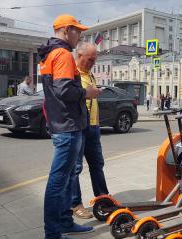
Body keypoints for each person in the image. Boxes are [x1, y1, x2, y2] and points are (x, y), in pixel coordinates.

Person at [39, 14, 99, 239]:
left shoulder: (48, 54)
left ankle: (64, 222)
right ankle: (53, 232)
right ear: (66, 30)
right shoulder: (63, 54)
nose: (79, 36)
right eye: (77, 31)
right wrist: (88, 93)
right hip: (69, 126)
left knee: (64, 180)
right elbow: (65, 91)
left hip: (60, 123)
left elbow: (54, 92)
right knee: (58, 181)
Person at [71, 42, 109, 219]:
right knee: (75, 168)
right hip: (79, 127)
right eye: (90, 59)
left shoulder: (90, 74)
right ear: (79, 55)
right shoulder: (72, 73)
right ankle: (75, 204)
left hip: (93, 127)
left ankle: (103, 199)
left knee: (97, 164)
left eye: (95, 60)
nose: (93, 62)